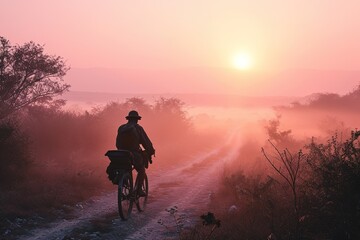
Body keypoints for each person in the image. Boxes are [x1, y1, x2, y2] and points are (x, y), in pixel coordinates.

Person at [115, 110, 155, 195]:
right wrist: (151, 151)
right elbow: (146, 142)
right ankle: (139, 190)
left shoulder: (121, 128)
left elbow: (117, 143)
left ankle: (124, 183)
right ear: (137, 119)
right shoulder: (138, 128)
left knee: (125, 168)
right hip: (134, 154)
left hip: (120, 154)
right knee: (141, 170)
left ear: (128, 119)